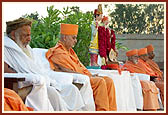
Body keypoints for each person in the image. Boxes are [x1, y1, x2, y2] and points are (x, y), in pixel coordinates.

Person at [4, 17, 95, 111]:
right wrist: (32, 78)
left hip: (37, 80)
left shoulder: (27, 49)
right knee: (53, 92)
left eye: (30, 35)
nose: (29, 39)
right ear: (14, 35)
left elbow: (34, 68)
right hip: (26, 82)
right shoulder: (6, 48)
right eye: (26, 35)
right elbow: (8, 70)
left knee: (71, 90)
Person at [46, 23, 117, 111]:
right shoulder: (57, 51)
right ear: (64, 37)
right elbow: (65, 70)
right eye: (73, 38)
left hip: (85, 76)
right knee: (100, 81)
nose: (75, 41)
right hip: (78, 78)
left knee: (108, 80)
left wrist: (91, 75)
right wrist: (87, 76)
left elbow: (81, 66)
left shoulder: (70, 51)